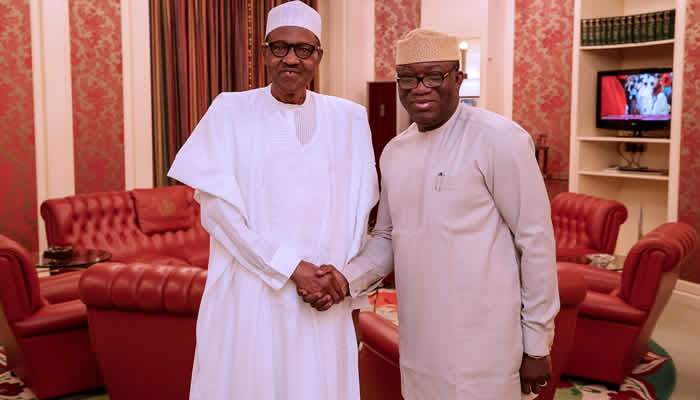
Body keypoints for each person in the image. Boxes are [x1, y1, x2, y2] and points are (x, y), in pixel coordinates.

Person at [303, 28, 559, 400]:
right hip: (421, 339)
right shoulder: (394, 152)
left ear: (458, 78)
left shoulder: (500, 139)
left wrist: (537, 342)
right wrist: (345, 279)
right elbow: (388, 237)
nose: (420, 87)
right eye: (408, 78)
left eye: (434, 75)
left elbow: (535, 241)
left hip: (486, 343)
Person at [167, 2, 378, 399]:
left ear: (318, 56)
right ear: (264, 53)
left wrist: (344, 286)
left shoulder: (348, 118)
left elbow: (360, 211)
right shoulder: (230, 110)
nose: (291, 59)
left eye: (303, 49)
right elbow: (218, 213)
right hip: (252, 293)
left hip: (324, 299)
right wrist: (288, 267)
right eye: (280, 48)